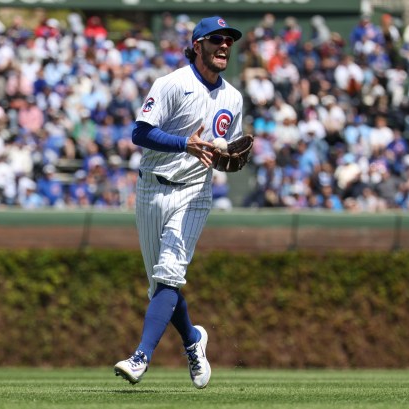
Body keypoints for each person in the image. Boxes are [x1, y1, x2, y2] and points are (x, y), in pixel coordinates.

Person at [113, 16, 244, 389]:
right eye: (217, 39)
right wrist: (184, 142)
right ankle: (193, 340)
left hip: (194, 193)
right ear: (197, 44)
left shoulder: (232, 98)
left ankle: (141, 357)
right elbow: (140, 133)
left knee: (169, 274)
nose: (224, 45)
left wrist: (227, 157)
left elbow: (224, 152)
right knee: (160, 287)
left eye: (229, 40)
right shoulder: (172, 84)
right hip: (152, 189)